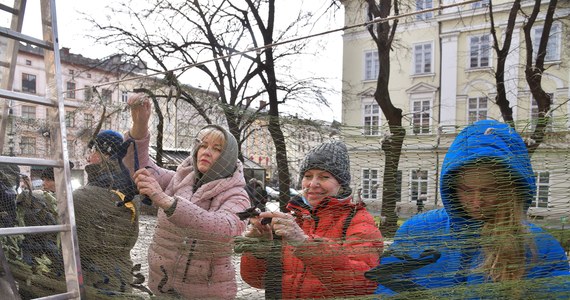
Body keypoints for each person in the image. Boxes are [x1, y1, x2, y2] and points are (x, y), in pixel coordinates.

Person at [367, 120, 570, 298]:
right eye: (466, 190)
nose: (476, 201)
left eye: (488, 191)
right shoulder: (417, 231)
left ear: (511, 190)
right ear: (451, 187)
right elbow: (387, 287)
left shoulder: (540, 247)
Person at [123, 93, 250, 299]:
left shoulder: (237, 195)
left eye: (216, 149)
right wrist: (140, 124)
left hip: (206, 292)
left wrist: (166, 201)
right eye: (202, 145)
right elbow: (140, 165)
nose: (206, 152)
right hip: (162, 285)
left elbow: (223, 229)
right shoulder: (178, 179)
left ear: (227, 158)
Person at [239, 141, 383, 298]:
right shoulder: (294, 218)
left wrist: (304, 244)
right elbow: (256, 281)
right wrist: (259, 252)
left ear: (341, 184)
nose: (313, 184)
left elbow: (363, 284)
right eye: (308, 176)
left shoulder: (359, 220)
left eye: (324, 177)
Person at [71, 129, 140, 296]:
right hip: (123, 275)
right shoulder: (132, 191)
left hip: (95, 280)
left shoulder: (82, 197)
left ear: (106, 154)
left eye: (94, 151)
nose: (88, 157)